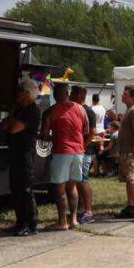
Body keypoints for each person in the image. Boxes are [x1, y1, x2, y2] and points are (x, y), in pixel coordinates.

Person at [40, 82, 88, 230]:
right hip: (78, 151)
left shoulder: (50, 111)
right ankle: (73, 219)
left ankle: (62, 222)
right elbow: (85, 130)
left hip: (61, 151)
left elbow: (44, 135)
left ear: (55, 95)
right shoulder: (81, 109)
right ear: (67, 93)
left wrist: (52, 137)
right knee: (72, 186)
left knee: (59, 188)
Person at [2, 78, 40, 237]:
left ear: (27, 93)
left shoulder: (33, 110)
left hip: (25, 153)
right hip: (14, 152)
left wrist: (11, 122)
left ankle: (31, 223)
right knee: (15, 187)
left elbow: (14, 128)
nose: (17, 96)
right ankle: (20, 221)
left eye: (20, 92)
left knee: (25, 188)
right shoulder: (18, 109)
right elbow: (4, 125)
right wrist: (12, 117)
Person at [115, 84, 134, 222]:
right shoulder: (129, 110)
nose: (122, 95)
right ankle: (130, 206)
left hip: (131, 152)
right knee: (128, 179)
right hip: (125, 151)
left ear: (133, 97)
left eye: (125, 94)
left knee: (132, 179)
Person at [70, 85, 97, 225]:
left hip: (85, 152)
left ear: (80, 96)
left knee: (82, 179)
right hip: (75, 151)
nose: (70, 95)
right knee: (76, 180)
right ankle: (80, 209)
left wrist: (82, 147)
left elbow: (92, 133)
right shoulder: (73, 108)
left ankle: (88, 211)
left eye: (73, 93)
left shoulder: (88, 111)